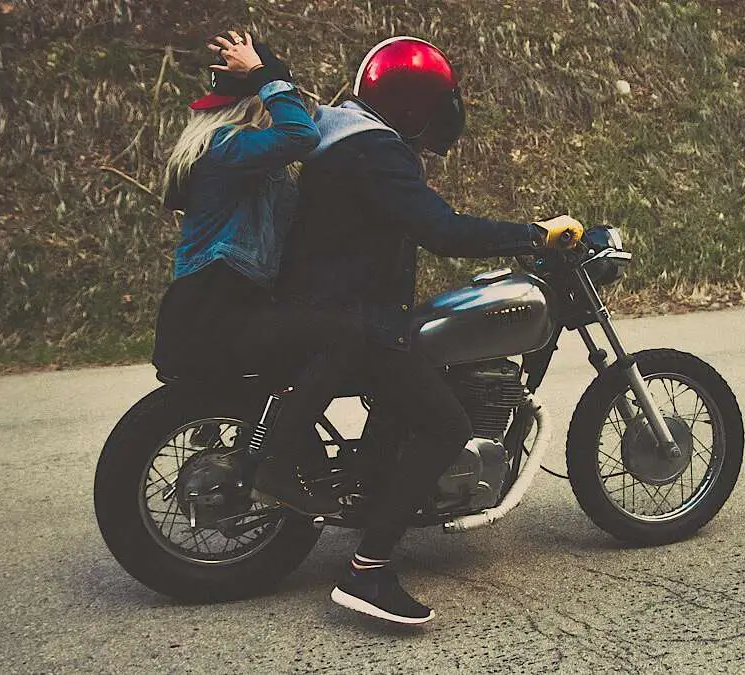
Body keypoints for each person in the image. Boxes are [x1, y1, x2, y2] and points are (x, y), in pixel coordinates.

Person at [276, 36, 584, 624]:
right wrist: (531, 233)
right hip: (355, 320)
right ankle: (368, 571)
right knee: (447, 424)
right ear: (414, 107)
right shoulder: (374, 150)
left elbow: (408, 223)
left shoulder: (343, 141)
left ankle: (379, 489)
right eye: (439, 100)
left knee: (411, 393)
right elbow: (438, 228)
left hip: (334, 309)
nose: (448, 111)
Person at [153, 30, 354, 516]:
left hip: (223, 303)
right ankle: (278, 467)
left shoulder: (246, 164)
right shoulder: (226, 148)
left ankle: (285, 452)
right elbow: (300, 134)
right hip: (216, 306)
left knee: (322, 334)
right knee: (350, 339)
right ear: (254, 107)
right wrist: (269, 78)